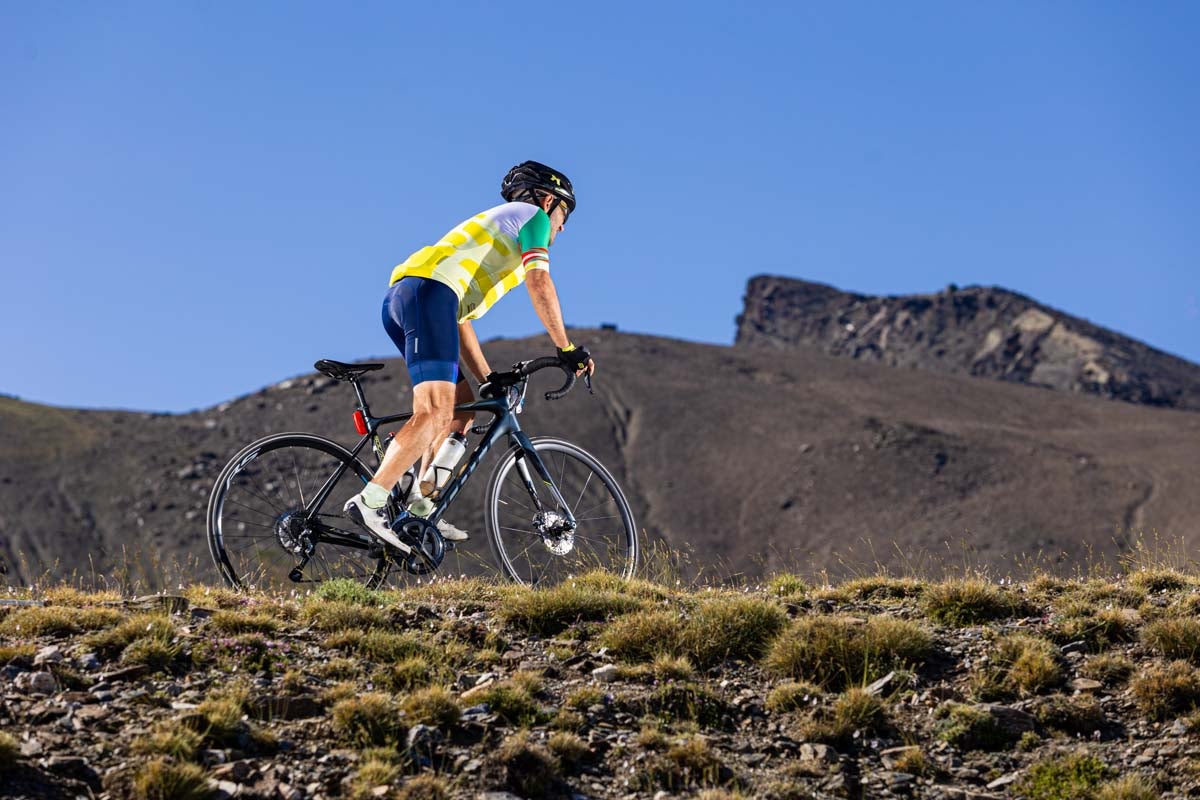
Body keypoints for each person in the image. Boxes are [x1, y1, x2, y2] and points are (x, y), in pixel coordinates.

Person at [343, 161, 595, 553]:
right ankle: (372, 501)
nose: (562, 227)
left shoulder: (494, 234)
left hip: (416, 299)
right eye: (564, 215)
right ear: (549, 200)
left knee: (461, 412)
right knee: (434, 412)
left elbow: (457, 321)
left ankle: (421, 507)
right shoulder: (534, 218)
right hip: (428, 295)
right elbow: (539, 280)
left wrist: (487, 377)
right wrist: (566, 347)